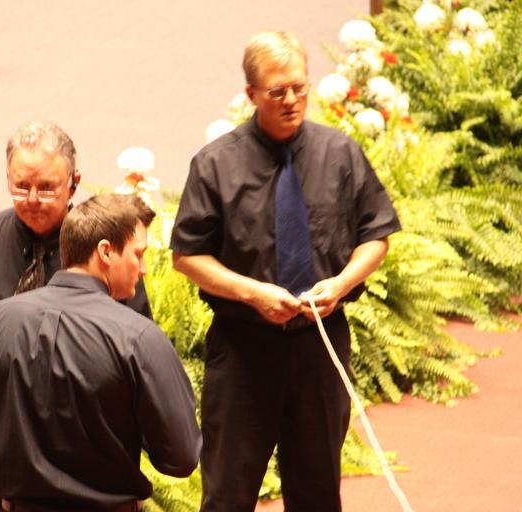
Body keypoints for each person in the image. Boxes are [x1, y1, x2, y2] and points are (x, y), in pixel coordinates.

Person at [170, 31, 401, 511]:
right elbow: (187, 255)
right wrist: (252, 293)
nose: (292, 100)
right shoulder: (215, 165)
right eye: (277, 92)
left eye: (299, 87)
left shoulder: (340, 154)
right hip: (242, 348)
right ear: (251, 94)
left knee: (317, 493)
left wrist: (342, 283)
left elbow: (376, 235)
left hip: (320, 345)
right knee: (227, 495)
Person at [0, 193, 202, 512]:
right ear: (105, 251)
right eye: (138, 254)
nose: (144, 268)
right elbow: (181, 457)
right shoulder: (139, 338)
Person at [0, 121, 152, 431]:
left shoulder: (106, 251)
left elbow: (138, 343)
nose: (32, 199)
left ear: (73, 183)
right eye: (21, 186)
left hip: (81, 433)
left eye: (46, 188)